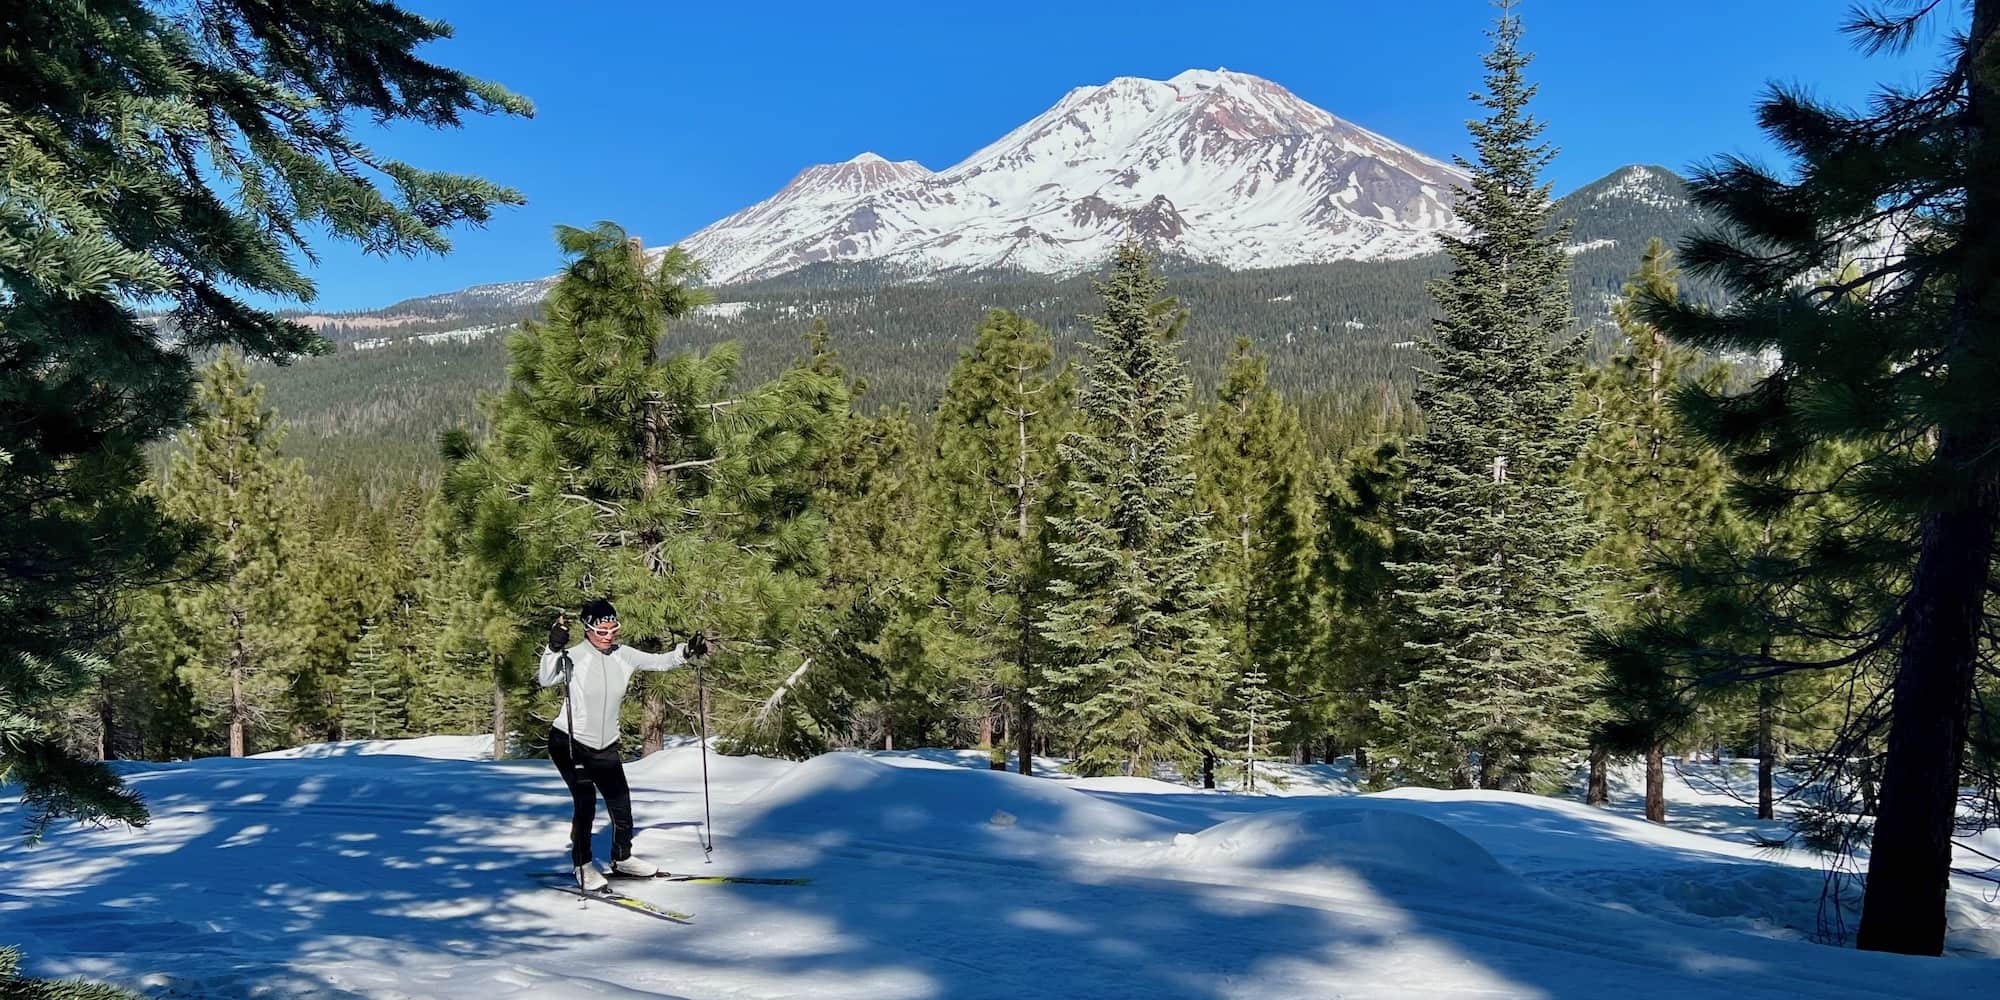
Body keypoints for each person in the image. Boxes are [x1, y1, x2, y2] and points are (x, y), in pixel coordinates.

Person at [539, 597, 710, 891]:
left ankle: (622, 858)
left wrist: (686, 652)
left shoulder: (624, 655)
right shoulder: (573, 657)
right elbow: (545, 678)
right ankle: (582, 864)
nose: (608, 637)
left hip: (605, 744)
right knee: (586, 802)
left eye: (613, 630)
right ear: (587, 629)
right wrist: (552, 648)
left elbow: (661, 662)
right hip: (570, 741)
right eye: (601, 631)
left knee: (620, 802)